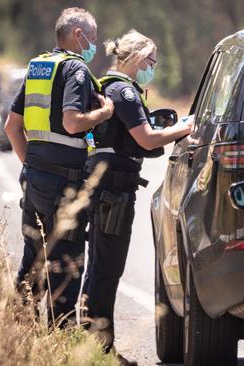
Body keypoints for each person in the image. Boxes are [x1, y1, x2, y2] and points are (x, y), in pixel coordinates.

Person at [83, 30, 193, 359]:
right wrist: (184, 128)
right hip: (114, 190)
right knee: (108, 267)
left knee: (100, 265)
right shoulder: (125, 92)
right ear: (135, 58)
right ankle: (100, 348)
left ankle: (92, 343)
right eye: (150, 61)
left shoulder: (107, 85)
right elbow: (146, 139)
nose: (151, 67)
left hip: (105, 186)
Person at [3, 7, 114, 326]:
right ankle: (61, 338)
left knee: (34, 258)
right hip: (63, 184)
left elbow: (13, 127)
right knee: (66, 263)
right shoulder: (75, 70)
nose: (93, 45)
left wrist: (33, 167)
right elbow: (72, 121)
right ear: (78, 36)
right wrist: (103, 114)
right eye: (92, 38)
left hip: (35, 178)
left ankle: (18, 331)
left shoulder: (39, 66)